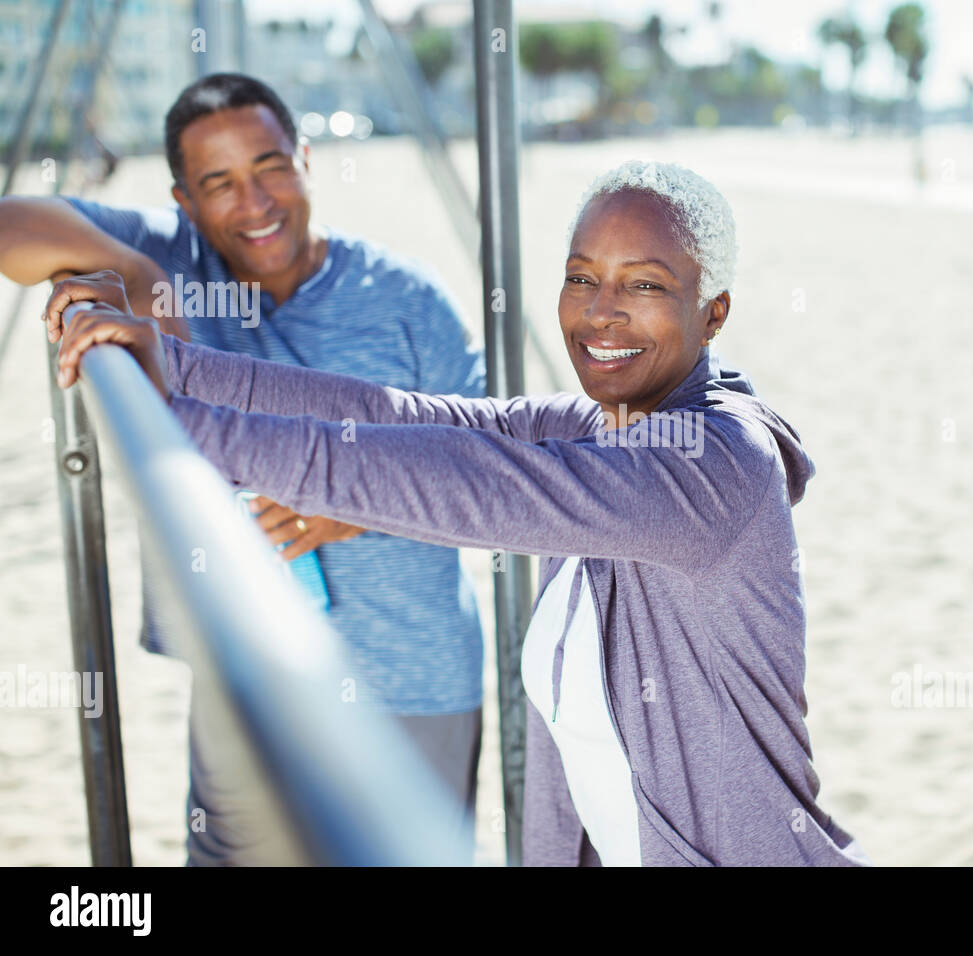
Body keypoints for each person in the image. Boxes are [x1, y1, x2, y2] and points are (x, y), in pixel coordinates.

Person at [50, 160, 870, 866]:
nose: (600, 310)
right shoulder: (597, 425)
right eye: (581, 276)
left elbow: (467, 481)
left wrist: (185, 428)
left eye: (645, 285)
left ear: (713, 312)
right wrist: (181, 367)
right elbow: (403, 418)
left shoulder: (715, 462)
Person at [3, 73, 487, 865]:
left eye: (269, 167)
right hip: (245, 684)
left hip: (410, 678)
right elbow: (10, 227)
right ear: (184, 200)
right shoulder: (171, 257)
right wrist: (139, 274)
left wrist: (351, 503)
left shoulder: (407, 299)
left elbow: (488, 462)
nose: (254, 202)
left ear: (303, 159)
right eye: (219, 183)